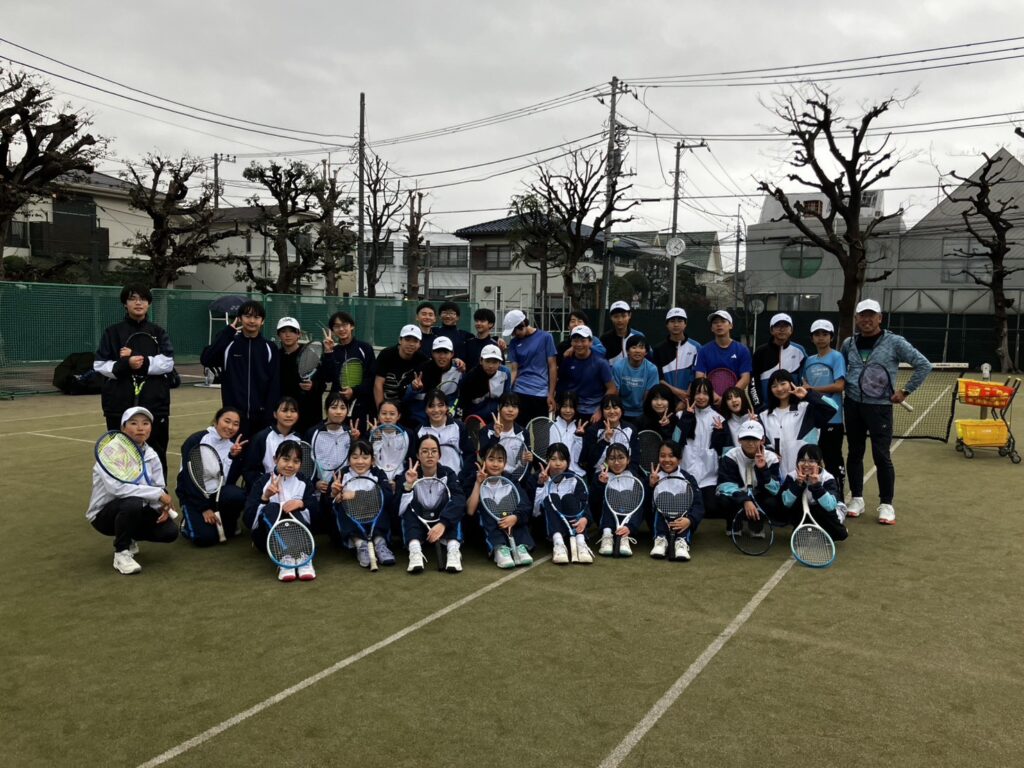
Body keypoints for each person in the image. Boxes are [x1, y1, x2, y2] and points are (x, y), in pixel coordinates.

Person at [840, 298, 932, 525]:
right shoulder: (849, 343)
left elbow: (924, 365)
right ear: (856, 319)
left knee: (881, 456)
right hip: (852, 405)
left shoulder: (895, 342)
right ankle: (857, 499)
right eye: (862, 315)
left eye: (871, 315)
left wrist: (905, 391)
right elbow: (841, 370)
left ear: (880, 318)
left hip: (880, 408)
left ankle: (886, 504)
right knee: (854, 453)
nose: (867, 319)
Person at [86, 407, 178, 574]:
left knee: (169, 532)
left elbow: (157, 485)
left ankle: (129, 535)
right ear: (123, 428)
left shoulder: (151, 453)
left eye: (145, 423)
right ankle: (121, 552)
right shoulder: (110, 451)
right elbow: (117, 488)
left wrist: (160, 507)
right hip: (103, 515)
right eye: (134, 423)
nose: (140, 428)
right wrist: (158, 495)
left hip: (137, 508)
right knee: (132, 503)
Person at [94, 285, 175, 475]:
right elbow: (100, 365)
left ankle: (158, 491)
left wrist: (141, 361)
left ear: (149, 304)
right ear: (125, 304)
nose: (138, 303)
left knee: (157, 453)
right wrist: (126, 364)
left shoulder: (158, 332)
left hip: (155, 404)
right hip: (118, 404)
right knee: (119, 456)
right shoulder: (112, 332)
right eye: (133, 299)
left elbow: (168, 363)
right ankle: (123, 491)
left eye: (143, 299)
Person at [201, 299, 280, 439]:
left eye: (256, 317)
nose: (252, 321)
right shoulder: (229, 343)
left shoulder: (269, 348)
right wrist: (228, 331)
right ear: (239, 319)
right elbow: (207, 359)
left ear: (262, 321)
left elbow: (274, 384)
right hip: (234, 419)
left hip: (262, 419)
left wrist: (269, 416)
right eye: (247, 316)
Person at [243, 441, 318, 582]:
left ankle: (304, 558)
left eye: (296, 461)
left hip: (299, 537)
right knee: (273, 507)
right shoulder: (262, 482)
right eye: (285, 459)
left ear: (301, 464)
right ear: (275, 459)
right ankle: (285, 559)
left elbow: (317, 516)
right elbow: (249, 521)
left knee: (293, 507)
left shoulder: (304, 482)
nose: (290, 465)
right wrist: (265, 498)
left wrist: (301, 504)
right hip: (267, 539)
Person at [176, 407, 248, 546]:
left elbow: (228, 481)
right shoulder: (196, 440)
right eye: (227, 421)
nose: (230, 427)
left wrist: (232, 457)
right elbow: (189, 479)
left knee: (237, 495)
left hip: (218, 495)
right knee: (205, 539)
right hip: (194, 496)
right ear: (216, 421)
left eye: (235, 424)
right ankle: (187, 523)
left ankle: (228, 522)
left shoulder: (234, 446)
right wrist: (204, 508)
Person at [399, 436, 467, 574]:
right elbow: (398, 509)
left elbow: (459, 500)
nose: (430, 455)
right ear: (418, 455)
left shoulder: (448, 473)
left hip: (441, 518)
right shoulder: (407, 474)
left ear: (439, 455)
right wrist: (408, 485)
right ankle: (414, 550)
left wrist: (443, 523)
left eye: (434, 451)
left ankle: (453, 549)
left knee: (455, 511)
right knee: (408, 510)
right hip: (419, 519)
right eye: (425, 451)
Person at [801, 319, 847, 508]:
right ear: (812, 338)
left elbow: (839, 385)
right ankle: (816, 497)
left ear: (831, 337)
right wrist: (808, 391)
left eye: (825, 334)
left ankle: (839, 498)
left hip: (833, 419)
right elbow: (804, 386)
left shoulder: (837, 357)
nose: (821, 338)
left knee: (833, 459)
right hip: (814, 420)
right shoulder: (809, 360)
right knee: (813, 460)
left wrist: (812, 391)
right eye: (817, 334)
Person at [759, 370, 838, 480]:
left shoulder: (806, 408)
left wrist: (808, 395)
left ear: (791, 384)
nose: (779, 389)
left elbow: (833, 408)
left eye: (783, 383)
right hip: (776, 477)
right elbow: (761, 445)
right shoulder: (763, 415)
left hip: (806, 475)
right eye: (774, 386)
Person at [467, 443, 535, 568]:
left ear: (505, 463)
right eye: (491, 459)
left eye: (500, 460)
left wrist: (515, 518)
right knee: (487, 506)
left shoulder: (511, 480)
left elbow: (525, 504)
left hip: (511, 523)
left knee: (517, 511)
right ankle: (499, 548)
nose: (495, 464)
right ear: (484, 461)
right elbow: (470, 511)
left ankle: (521, 547)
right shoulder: (474, 478)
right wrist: (478, 483)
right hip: (488, 528)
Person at [331, 440, 397, 567]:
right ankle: (360, 545)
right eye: (355, 457)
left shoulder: (378, 473)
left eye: (365, 457)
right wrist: (334, 494)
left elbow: (387, 496)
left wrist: (356, 495)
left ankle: (380, 544)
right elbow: (330, 504)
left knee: (382, 506)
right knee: (342, 507)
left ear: (372, 460)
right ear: (348, 460)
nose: (360, 461)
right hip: (353, 519)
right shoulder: (341, 475)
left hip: (374, 517)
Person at [716, 419, 782, 536]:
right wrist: (745, 500)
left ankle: (756, 523)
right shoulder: (730, 456)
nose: (750, 443)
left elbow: (775, 489)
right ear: (739, 439)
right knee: (723, 498)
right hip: (739, 495)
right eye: (746, 438)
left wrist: (762, 469)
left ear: (762, 440)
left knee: (772, 501)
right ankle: (734, 523)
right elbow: (725, 485)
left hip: (759, 495)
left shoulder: (771, 458)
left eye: (755, 439)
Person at [534, 442, 592, 564]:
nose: (558, 463)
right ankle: (558, 544)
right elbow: (535, 512)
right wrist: (541, 484)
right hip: (548, 527)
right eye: (553, 459)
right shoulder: (536, 478)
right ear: (547, 460)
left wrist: (585, 519)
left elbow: (584, 505)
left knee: (569, 498)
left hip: (573, 524)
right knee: (552, 497)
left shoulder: (575, 479)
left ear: (568, 462)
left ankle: (581, 542)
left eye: (562, 459)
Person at [647, 440, 704, 561]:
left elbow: (699, 505)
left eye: (671, 456)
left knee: (684, 504)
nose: (667, 460)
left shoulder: (688, 479)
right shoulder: (652, 477)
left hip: (683, 521)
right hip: (660, 521)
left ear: (679, 460)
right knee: (661, 503)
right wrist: (651, 486)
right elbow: (645, 506)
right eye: (662, 456)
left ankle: (682, 542)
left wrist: (690, 520)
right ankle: (660, 540)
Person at [676, 378, 723, 525]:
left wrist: (720, 433)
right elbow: (676, 440)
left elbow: (722, 448)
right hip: (686, 470)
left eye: (705, 393)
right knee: (683, 505)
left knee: (711, 507)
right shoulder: (680, 415)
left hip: (709, 475)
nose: (701, 397)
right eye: (697, 393)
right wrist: (686, 418)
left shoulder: (718, 419)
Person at [779, 444, 848, 542]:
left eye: (811, 461)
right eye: (802, 460)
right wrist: (798, 484)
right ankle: (805, 527)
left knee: (839, 534)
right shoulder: (792, 476)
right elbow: (786, 502)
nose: (806, 464)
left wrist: (817, 485)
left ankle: (833, 528)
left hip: (830, 511)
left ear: (819, 463)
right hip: (806, 509)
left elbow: (830, 506)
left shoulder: (827, 478)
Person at [502, 309, 558, 424]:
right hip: (519, 392)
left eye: (515, 331)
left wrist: (551, 394)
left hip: (541, 393)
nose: (514, 335)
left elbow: (552, 366)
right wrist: (507, 392)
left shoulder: (546, 337)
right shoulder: (514, 343)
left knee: (541, 432)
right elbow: (514, 370)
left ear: (522, 324)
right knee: (519, 431)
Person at [325, 310, 377, 432]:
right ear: (332, 330)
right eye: (337, 326)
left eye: (344, 325)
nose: (341, 329)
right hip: (337, 406)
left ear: (352, 326)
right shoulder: (332, 351)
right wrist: (328, 353)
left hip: (360, 405)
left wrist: (354, 391)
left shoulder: (365, 348)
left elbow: (371, 377)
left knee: (358, 439)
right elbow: (327, 377)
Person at [276, 317, 326, 436]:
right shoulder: (275, 357)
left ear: (298, 334)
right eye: (283, 331)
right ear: (278, 335)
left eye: (292, 331)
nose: (288, 335)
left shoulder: (311, 356)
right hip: (284, 416)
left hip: (308, 416)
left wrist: (312, 386)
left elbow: (322, 384)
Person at [238, 397, 302, 489]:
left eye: (293, 411)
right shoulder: (261, 437)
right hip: (265, 489)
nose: (289, 415)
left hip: (292, 490)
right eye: (284, 410)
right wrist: (266, 486)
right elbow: (249, 470)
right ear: (275, 414)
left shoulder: (299, 439)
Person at [594, 443, 645, 557]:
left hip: (627, 523)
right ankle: (607, 535)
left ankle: (624, 537)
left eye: (621, 458)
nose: (616, 462)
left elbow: (639, 507)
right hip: (606, 522)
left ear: (628, 460)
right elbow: (594, 505)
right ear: (606, 461)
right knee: (610, 495)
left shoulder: (636, 478)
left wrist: (630, 527)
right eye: (612, 458)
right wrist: (601, 485)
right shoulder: (599, 477)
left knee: (627, 495)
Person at [556, 325, 616, 422]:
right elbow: (561, 384)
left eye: (583, 340)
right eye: (575, 341)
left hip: (594, 414)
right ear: (571, 343)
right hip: (572, 411)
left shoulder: (601, 363)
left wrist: (600, 410)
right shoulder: (567, 361)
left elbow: (612, 389)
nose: (579, 344)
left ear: (591, 342)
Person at [373, 324, 428, 427]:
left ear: (419, 344)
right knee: (379, 435)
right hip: (384, 405)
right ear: (400, 340)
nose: (411, 344)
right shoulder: (386, 354)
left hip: (408, 410)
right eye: (407, 339)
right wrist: (381, 412)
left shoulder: (423, 360)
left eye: (415, 341)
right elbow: (378, 384)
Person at [694, 310, 753, 405]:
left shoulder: (742, 350)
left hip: (735, 402)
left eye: (723, 321)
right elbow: (699, 377)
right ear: (711, 328)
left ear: (731, 325)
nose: (719, 325)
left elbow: (745, 378)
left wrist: (729, 397)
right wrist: (713, 395)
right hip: (711, 401)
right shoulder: (703, 350)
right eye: (715, 322)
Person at [752, 312, 807, 408]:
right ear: (771, 330)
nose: (782, 329)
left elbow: (805, 379)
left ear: (791, 330)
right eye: (777, 326)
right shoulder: (760, 352)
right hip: (767, 407)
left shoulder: (799, 351)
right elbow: (752, 382)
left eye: (785, 326)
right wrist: (758, 405)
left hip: (793, 406)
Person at [404, 335, 461, 426]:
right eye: (438, 352)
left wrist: (449, 411)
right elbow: (405, 399)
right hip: (419, 422)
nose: (442, 356)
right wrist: (413, 389)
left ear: (452, 354)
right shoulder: (421, 370)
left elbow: (455, 397)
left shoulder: (459, 370)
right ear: (432, 353)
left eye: (446, 352)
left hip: (445, 421)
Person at [652, 307, 701, 407]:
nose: (676, 324)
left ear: (685, 324)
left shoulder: (696, 347)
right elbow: (658, 377)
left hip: (690, 401)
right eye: (672, 321)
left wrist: (686, 398)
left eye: (680, 321)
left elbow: (697, 375)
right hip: (665, 401)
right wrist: (676, 392)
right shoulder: (658, 349)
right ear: (667, 324)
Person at [612, 335, 660, 421]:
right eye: (634, 347)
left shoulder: (652, 369)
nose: (637, 351)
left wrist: (644, 414)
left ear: (646, 352)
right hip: (621, 411)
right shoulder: (618, 367)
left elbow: (649, 394)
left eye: (641, 348)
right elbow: (615, 392)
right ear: (627, 351)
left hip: (642, 412)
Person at [459, 344, 511, 421]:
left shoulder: (505, 373)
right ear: (481, 361)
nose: (491, 366)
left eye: (495, 362)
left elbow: (506, 396)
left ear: (500, 363)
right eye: (487, 361)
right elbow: (464, 401)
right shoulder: (471, 376)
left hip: (497, 411)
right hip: (475, 412)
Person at [600, 300, 646, 365]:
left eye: (623, 316)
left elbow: (648, 359)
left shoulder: (639, 336)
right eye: (616, 316)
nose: (620, 320)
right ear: (611, 317)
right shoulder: (605, 339)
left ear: (629, 315)